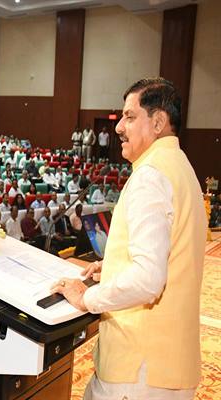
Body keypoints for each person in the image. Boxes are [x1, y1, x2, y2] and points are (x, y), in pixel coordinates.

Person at [53, 78, 206, 399]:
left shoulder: (150, 176)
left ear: (158, 122)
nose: (119, 127)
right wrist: (113, 267)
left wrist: (86, 298)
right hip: (168, 361)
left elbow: (149, 279)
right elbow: (169, 251)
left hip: (139, 367)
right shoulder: (181, 167)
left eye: (130, 117)